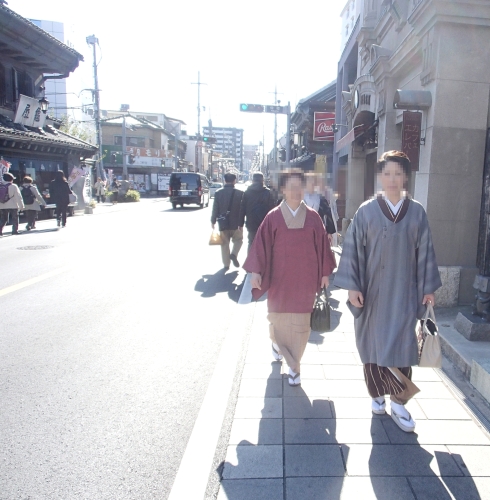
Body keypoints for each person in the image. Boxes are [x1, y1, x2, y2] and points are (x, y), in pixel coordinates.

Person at [334, 150, 442, 433]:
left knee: (403, 345)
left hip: (405, 294)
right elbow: (353, 251)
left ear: (405, 176)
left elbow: (426, 253)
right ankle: (377, 395)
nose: (392, 179)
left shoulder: (416, 211)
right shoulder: (366, 211)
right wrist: (352, 287)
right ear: (379, 176)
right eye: (387, 173)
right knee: (372, 345)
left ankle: (399, 402)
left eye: (397, 173)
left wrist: (428, 289)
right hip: (372, 293)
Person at [243, 170, 336, 386]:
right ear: (282, 190)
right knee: (278, 319)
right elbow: (261, 246)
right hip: (279, 281)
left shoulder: (313, 218)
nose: (295, 191)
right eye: (290, 187)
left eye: (299, 186)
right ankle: (277, 343)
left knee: (302, 325)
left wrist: (324, 273)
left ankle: (295, 366)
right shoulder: (273, 217)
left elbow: (322, 247)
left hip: (305, 281)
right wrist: (255, 272)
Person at [211, 173, 244, 270]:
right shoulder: (240, 193)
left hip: (223, 223)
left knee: (224, 243)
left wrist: (213, 221)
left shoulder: (218, 193)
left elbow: (215, 208)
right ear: (234, 181)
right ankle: (234, 254)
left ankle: (226, 264)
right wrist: (241, 222)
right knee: (238, 240)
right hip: (236, 223)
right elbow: (242, 209)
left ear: (224, 180)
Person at [238, 172, 275, 250]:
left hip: (251, 223)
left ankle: (251, 261)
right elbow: (272, 209)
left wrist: (240, 224)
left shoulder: (247, 192)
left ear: (253, 180)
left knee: (251, 242)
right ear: (263, 180)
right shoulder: (268, 192)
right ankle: (263, 261)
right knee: (265, 244)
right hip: (265, 223)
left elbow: (242, 209)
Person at [304, 173, 336, 243]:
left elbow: (328, 214)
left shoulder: (320, 198)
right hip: (303, 230)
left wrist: (329, 231)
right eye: (310, 181)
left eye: (313, 182)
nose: (312, 184)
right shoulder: (300, 198)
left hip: (318, 229)